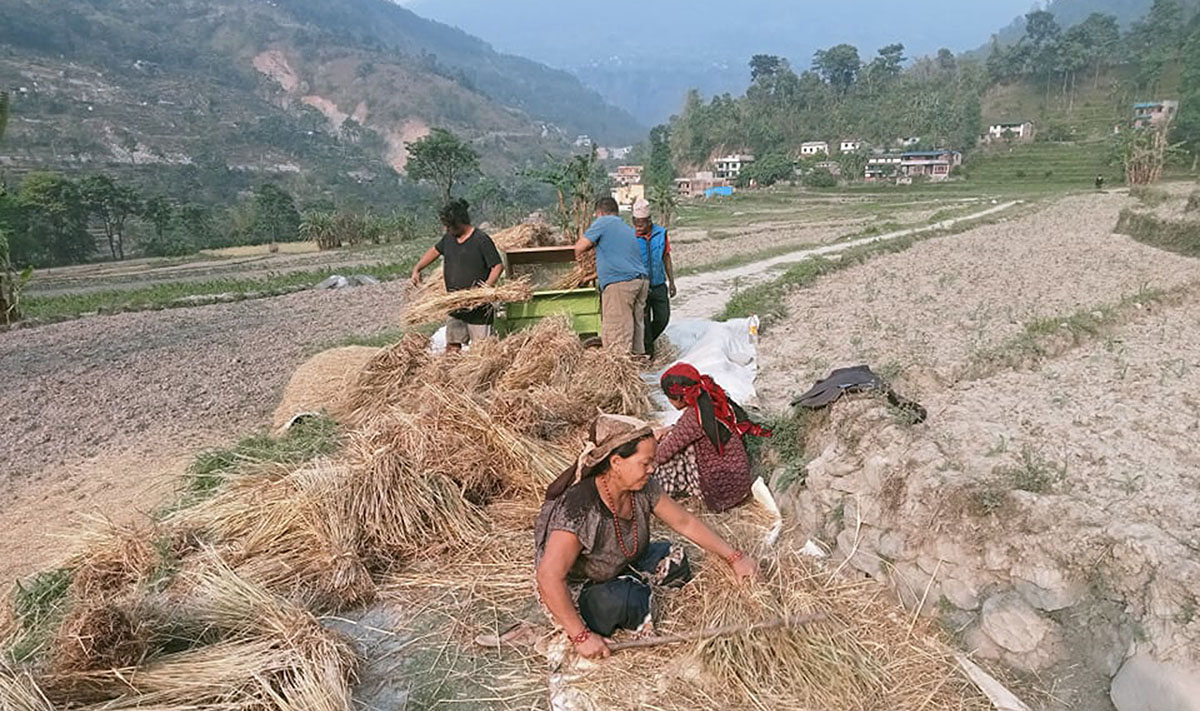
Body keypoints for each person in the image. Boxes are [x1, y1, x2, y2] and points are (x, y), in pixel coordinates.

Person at [535, 414, 759, 659]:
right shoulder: (579, 507)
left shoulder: (642, 488)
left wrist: (734, 557)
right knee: (627, 601)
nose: (653, 468)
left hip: (622, 565)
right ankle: (625, 597)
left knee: (676, 556)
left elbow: (684, 522)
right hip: (585, 589)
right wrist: (580, 636)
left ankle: (633, 586)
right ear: (617, 462)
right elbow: (549, 576)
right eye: (646, 462)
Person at [654, 363, 772, 513]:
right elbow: (683, 429)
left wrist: (647, 454)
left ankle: (659, 493)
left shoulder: (694, 417)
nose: (669, 402)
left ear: (678, 397)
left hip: (722, 491)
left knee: (671, 457)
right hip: (738, 479)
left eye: (669, 397)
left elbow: (662, 454)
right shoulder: (707, 399)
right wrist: (669, 429)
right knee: (677, 439)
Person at [410, 199, 503, 352]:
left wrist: (484, 289)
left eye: (448, 226)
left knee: (482, 350)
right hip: (455, 305)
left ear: (458, 223)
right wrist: (417, 268)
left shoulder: (481, 240)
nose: (446, 229)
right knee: (452, 347)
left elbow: (497, 266)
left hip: (478, 307)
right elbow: (434, 251)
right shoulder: (449, 239)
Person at [574, 197, 649, 356]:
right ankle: (636, 366)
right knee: (635, 328)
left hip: (621, 284)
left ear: (600, 213)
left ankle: (618, 371)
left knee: (618, 331)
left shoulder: (604, 222)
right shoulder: (626, 228)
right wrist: (589, 277)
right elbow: (620, 261)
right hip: (640, 281)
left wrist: (579, 269)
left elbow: (579, 248)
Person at [632, 199, 676, 358]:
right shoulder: (630, 237)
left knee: (663, 318)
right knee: (642, 320)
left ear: (649, 221)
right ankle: (648, 352)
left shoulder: (661, 234)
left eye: (641, 224)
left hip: (658, 284)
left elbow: (666, 258)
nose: (638, 227)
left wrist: (671, 282)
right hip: (640, 286)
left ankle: (646, 342)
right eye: (635, 223)